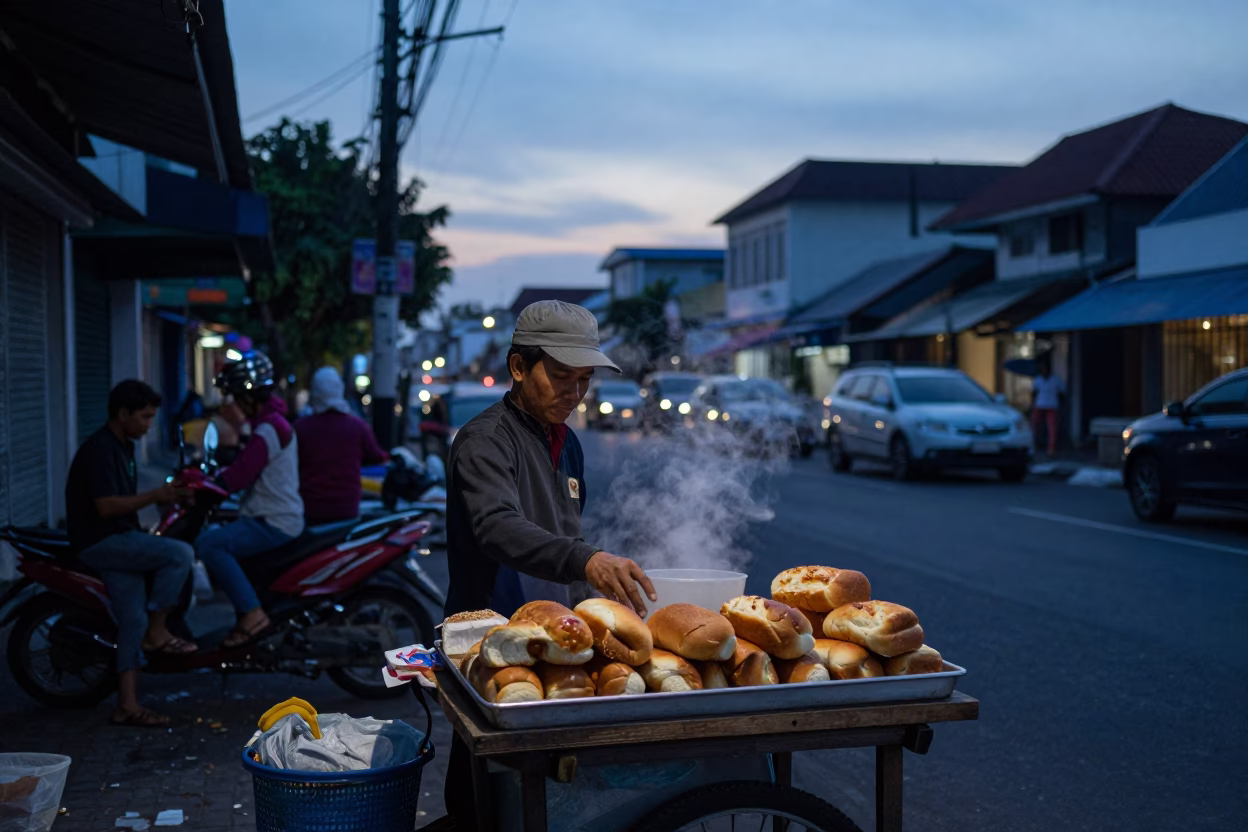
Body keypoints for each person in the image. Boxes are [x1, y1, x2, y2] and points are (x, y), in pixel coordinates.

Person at [439, 301, 655, 831]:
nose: (574, 393)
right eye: (560, 376)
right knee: (483, 796)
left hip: (558, 638)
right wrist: (585, 558)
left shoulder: (569, 443)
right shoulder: (485, 440)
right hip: (494, 639)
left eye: (583, 380)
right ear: (518, 367)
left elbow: (565, 534)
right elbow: (496, 526)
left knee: (548, 795)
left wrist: (600, 589)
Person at [65, 380, 197, 728]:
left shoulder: (124, 446)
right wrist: (157, 496)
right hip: (101, 543)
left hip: (119, 540)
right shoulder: (100, 450)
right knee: (179, 554)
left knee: (131, 619)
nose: (148, 425)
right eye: (143, 417)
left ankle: (127, 705)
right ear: (122, 414)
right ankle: (159, 631)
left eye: (152, 418)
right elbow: (106, 506)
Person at [194, 351, 305, 648]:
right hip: (274, 515)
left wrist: (209, 485)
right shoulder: (271, 423)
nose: (233, 405)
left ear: (248, 395)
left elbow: (241, 474)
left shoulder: (269, 428)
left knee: (209, 544)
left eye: (235, 397)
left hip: (273, 520)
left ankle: (252, 615)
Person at [295, 366, 389, 525]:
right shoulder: (357, 426)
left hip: (310, 509)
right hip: (347, 509)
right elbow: (376, 456)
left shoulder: (300, 428)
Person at [1031, 362, 1066, 457]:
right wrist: (1033, 405)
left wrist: (1061, 405)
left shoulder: (1056, 380)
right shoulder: (1038, 380)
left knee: (1052, 428)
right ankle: (1033, 446)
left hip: (1052, 406)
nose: (1044, 371)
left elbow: (1062, 393)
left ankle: (1051, 448)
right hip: (1039, 405)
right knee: (1035, 426)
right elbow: (1034, 393)